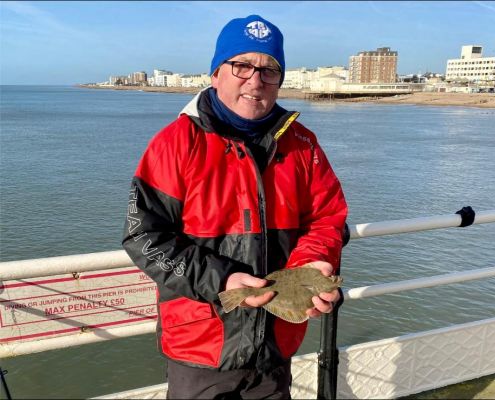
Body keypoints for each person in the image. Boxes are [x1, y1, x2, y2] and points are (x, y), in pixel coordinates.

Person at [122, 14, 348, 399]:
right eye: (241, 65)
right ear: (215, 73)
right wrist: (224, 281)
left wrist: (312, 263)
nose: (255, 80)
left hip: (277, 342)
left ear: (280, 80)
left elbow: (329, 218)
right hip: (200, 348)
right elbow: (144, 236)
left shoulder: (302, 144)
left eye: (269, 70)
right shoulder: (175, 143)